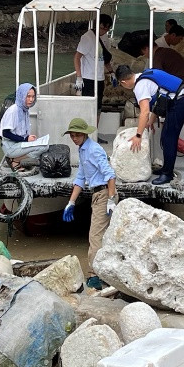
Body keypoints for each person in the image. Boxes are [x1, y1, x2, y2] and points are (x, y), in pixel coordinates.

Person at [61, 116, 117, 289]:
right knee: (102, 236)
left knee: (95, 236)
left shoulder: (94, 150)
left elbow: (110, 175)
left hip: (103, 194)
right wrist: (71, 202)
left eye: (77, 135)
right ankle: (106, 273)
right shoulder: (82, 149)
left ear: (84, 134)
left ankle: (95, 275)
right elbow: (81, 177)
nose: (74, 138)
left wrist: (111, 199)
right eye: (72, 135)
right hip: (96, 195)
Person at [114, 63, 184, 187]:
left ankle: (167, 174)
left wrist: (138, 136)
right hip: (177, 100)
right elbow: (160, 100)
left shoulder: (140, 86)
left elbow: (144, 112)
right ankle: (166, 168)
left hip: (179, 103)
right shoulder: (143, 76)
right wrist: (151, 121)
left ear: (123, 82)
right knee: (166, 136)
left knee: (169, 138)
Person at [0, 82, 49, 169]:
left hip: (18, 143)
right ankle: (15, 160)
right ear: (22, 96)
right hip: (10, 146)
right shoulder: (13, 111)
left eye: (33, 97)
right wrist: (25, 139)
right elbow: (5, 133)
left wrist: (29, 137)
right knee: (44, 147)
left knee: (44, 144)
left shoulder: (24, 109)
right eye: (28, 96)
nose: (31, 100)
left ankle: (15, 159)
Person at [74, 14, 114, 115]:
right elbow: (77, 58)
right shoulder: (87, 37)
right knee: (88, 108)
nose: (104, 31)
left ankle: (95, 129)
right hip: (88, 78)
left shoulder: (103, 38)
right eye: (102, 28)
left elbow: (105, 59)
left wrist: (112, 73)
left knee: (98, 108)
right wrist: (79, 78)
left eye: (106, 29)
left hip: (100, 78)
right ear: (97, 25)